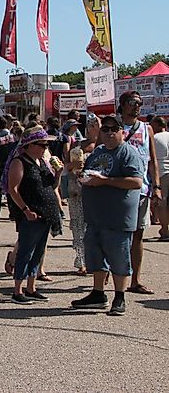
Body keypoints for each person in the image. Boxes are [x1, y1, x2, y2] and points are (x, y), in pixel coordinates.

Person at [72, 114, 146, 316]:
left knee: (119, 257)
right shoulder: (97, 153)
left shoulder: (128, 153)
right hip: (96, 216)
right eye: (105, 129)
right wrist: (82, 176)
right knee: (95, 256)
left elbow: (136, 182)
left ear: (122, 131)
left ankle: (120, 296)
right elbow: (88, 174)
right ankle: (98, 293)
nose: (110, 133)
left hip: (118, 217)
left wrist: (105, 180)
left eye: (115, 129)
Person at [5, 126, 62, 304]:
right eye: (41, 145)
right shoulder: (20, 162)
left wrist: (58, 173)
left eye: (46, 145)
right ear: (30, 145)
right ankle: (17, 290)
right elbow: (13, 189)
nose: (45, 148)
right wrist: (25, 210)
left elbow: (51, 186)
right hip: (30, 214)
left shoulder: (41, 162)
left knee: (38, 252)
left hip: (45, 214)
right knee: (26, 251)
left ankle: (31, 287)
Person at [118, 91, 159, 295]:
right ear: (123, 104)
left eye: (140, 103)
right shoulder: (113, 127)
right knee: (116, 234)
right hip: (117, 189)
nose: (137, 106)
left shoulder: (146, 128)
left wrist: (157, 186)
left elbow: (152, 159)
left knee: (138, 234)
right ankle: (112, 273)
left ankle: (135, 279)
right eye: (133, 102)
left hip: (141, 188)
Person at [68, 113, 100, 275]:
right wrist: (72, 166)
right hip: (77, 190)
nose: (91, 128)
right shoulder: (78, 145)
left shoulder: (104, 147)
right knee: (78, 225)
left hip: (96, 192)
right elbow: (68, 166)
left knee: (93, 227)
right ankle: (81, 260)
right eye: (89, 125)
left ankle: (95, 260)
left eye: (95, 125)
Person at [151, 116, 169, 241]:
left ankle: (165, 230)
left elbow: (151, 157)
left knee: (162, 203)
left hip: (162, 172)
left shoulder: (155, 138)